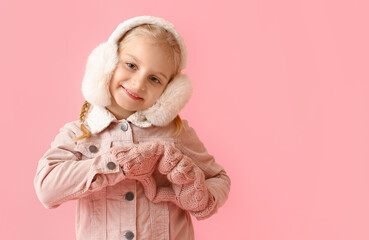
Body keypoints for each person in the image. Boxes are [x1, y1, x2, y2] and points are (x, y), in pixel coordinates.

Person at [33, 16, 231, 240]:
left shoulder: (176, 134)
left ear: (169, 92)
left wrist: (196, 191)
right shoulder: (79, 134)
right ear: (107, 63)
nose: (138, 83)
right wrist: (116, 164)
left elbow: (219, 178)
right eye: (131, 65)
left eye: (155, 79)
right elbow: (46, 189)